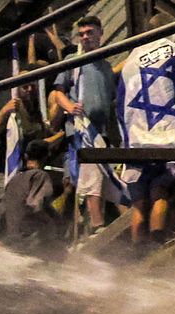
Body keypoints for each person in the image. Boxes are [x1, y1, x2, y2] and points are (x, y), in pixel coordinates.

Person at [116, 20, 175, 244]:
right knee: (160, 193)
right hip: (171, 139)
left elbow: (121, 106)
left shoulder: (130, 63)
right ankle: (157, 245)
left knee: (139, 204)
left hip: (139, 143)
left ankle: (137, 254)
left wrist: (129, 140)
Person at [49, 16, 116, 233]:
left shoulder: (106, 66)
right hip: (81, 129)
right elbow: (58, 92)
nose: (85, 37)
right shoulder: (73, 60)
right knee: (91, 174)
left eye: (90, 32)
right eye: (82, 34)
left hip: (102, 131)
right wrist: (69, 106)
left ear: (100, 33)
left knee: (109, 175)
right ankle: (96, 225)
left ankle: (107, 221)